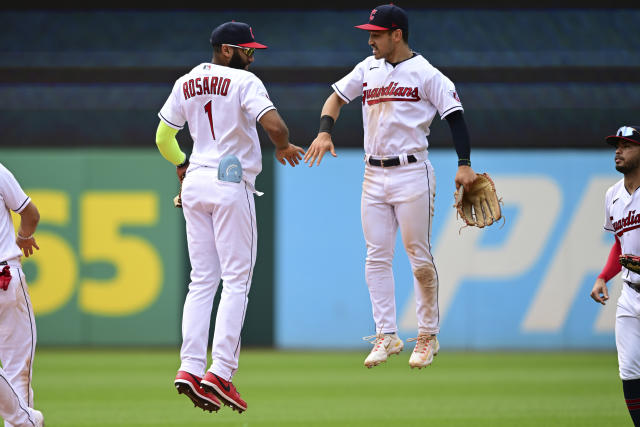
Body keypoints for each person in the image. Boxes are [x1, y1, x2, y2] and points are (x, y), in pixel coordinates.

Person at [304, 4, 477, 369]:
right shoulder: (367, 68)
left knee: (419, 258)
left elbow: (455, 117)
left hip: (412, 173)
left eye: (376, 33)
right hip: (373, 174)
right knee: (376, 257)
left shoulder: (426, 73)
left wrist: (464, 164)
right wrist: (324, 130)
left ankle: (428, 335)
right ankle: (387, 334)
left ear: (396, 34)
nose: (370, 40)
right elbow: (335, 97)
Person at [155, 21, 304, 414]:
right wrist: (284, 145)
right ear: (225, 50)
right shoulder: (243, 83)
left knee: (202, 280)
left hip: (196, 181)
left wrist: (182, 165)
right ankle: (220, 371)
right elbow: (274, 125)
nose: (250, 55)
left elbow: (162, 138)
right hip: (229, 180)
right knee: (236, 280)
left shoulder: (186, 81)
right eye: (245, 49)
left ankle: (189, 367)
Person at [591, 125, 640, 426]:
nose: (619, 151)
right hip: (630, 293)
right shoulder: (612, 195)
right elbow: (619, 243)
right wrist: (603, 277)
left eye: (627, 145)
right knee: (630, 371)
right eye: (616, 146)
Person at [0, 162, 43, 427]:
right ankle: (23, 421)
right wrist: (23, 236)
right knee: (18, 369)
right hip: (5, 276)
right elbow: (31, 215)